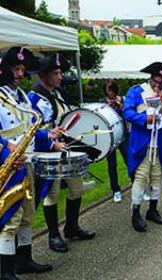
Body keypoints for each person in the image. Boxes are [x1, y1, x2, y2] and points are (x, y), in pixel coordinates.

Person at [28, 53, 96, 253]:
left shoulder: (58, 93)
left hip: (67, 149)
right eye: (56, 73)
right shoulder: (34, 98)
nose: (60, 77)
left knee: (77, 189)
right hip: (49, 153)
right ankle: (53, 235)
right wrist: (52, 144)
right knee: (53, 193)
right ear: (43, 75)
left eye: (59, 72)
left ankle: (72, 227)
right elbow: (31, 130)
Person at [0, 47, 53, 278]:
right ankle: (5, 271)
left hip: (27, 161)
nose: (20, 74)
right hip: (9, 165)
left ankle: (24, 260)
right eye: (15, 69)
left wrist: (48, 135)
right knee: (10, 217)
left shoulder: (20, 96)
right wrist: (4, 147)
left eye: (22, 69)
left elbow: (29, 129)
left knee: (27, 215)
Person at [123, 62, 162, 232]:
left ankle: (153, 210)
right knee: (140, 178)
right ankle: (135, 213)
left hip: (159, 143)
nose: (158, 85)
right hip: (142, 142)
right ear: (151, 78)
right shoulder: (136, 91)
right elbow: (127, 112)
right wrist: (143, 119)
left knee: (156, 177)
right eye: (156, 81)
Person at [101, 79, 129, 203]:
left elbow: (128, 115)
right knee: (112, 165)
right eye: (108, 91)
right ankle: (116, 190)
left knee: (129, 160)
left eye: (112, 90)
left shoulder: (122, 100)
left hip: (122, 135)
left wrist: (121, 105)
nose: (110, 94)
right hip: (110, 137)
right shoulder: (102, 102)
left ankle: (137, 185)